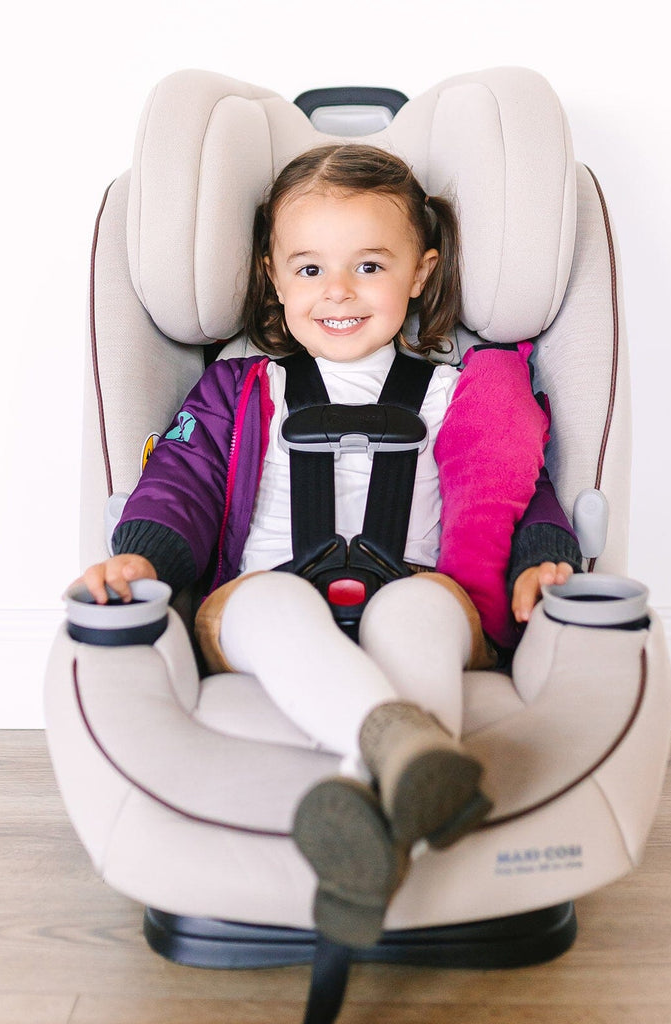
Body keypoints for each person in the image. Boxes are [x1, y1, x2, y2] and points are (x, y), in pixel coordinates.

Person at [74, 144, 581, 947]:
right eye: (308, 269)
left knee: (417, 608)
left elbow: (517, 486)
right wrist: (144, 554)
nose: (337, 291)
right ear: (272, 277)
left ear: (421, 272)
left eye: (369, 265)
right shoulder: (238, 391)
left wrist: (539, 556)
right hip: (267, 596)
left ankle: (368, 812)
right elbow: (181, 484)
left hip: (423, 591)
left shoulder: (466, 389)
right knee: (271, 599)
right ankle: (405, 753)